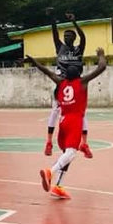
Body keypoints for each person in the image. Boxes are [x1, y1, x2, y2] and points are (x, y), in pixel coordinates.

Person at [28, 47, 107, 200]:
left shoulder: (61, 82)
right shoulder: (82, 82)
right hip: (75, 120)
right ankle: (50, 171)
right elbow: (102, 67)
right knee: (71, 153)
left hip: (63, 122)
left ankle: (58, 187)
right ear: (78, 74)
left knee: (67, 156)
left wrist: (34, 62)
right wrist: (101, 55)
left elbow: (46, 71)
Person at [44, 12, 92, 158]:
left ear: (74, 38)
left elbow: (83, 38)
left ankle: (84, 143)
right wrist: (53, 19)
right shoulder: (60, 47)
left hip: (76, 83)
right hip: (62, 83)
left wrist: (74, 23)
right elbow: (54, 34)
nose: (66, 38)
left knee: (81, 114)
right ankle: (48, 142)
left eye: (69, 36)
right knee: (55, 111)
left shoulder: (79, 49)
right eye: (65, 36)